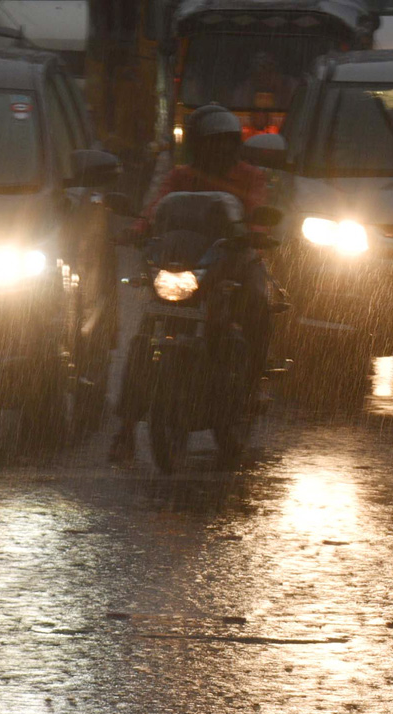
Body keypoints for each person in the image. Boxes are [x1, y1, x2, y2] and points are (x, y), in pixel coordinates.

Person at [109, 104, 271, 464]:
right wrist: (135, 232)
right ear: (197, 145)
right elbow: (155, 210)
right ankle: (124, 430)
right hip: (189, 265)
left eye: (226, 143)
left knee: (258, 304)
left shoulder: (250, 177)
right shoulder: (180, 177)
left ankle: (252, 386)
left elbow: (259, 213)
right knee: (144, 335)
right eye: (212, 143)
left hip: (233, 263)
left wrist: (256, 235)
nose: (220, 150)